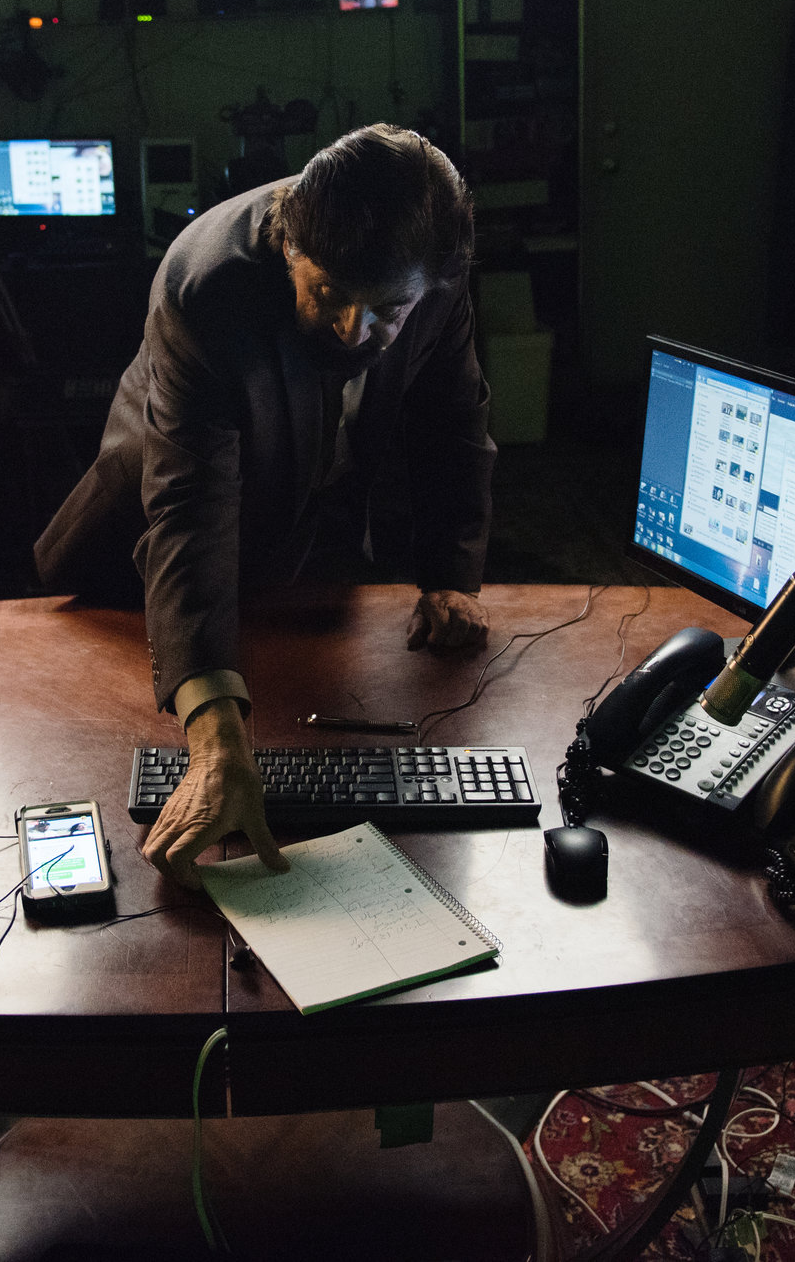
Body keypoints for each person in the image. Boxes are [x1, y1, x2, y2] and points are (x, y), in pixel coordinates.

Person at [34, 125, 497, 889]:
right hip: (143, 551)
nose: (355, 331)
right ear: (289, 248)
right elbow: (188, 507)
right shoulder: (206, 284)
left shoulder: (436, 272)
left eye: (387, 311)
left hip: (304, 531)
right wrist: (216, 745)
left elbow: (451, 418)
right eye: (329, 296)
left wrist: (451, 577)